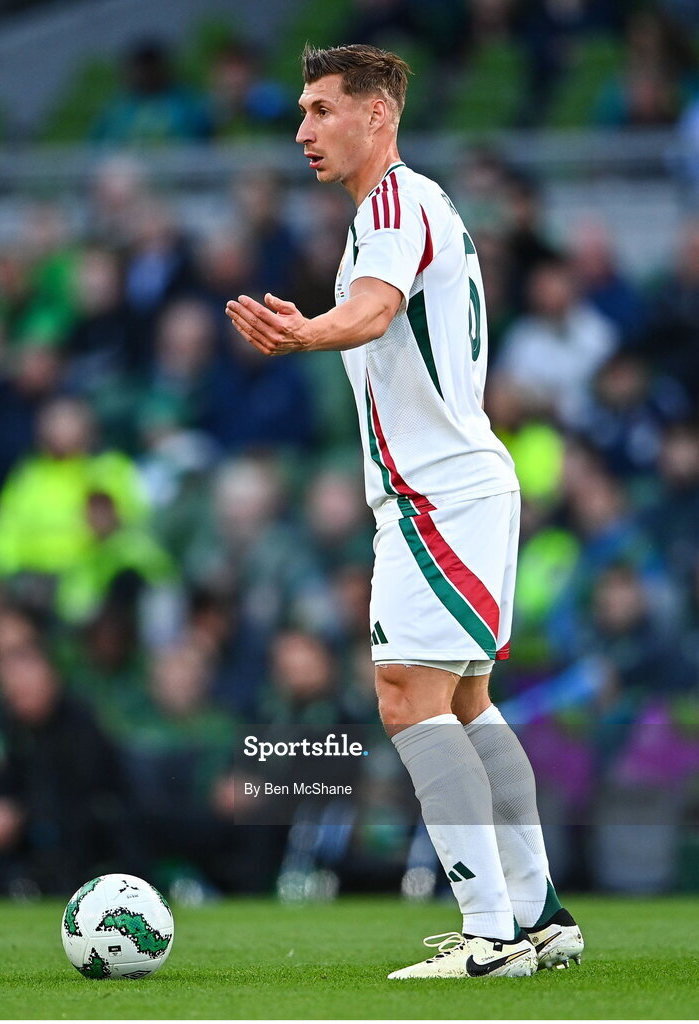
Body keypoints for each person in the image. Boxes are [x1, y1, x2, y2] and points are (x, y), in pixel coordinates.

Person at [225, 43, 583, 980]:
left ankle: (490, 934)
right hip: (457, 488)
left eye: (319, 110)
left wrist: (307, 330)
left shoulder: (392, 203)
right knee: (464, 703)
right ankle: (537, 915)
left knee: (406, 699)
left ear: (375, 114)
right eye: (300, 114)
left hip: (438, 496)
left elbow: (375, 311)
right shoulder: (405, 206)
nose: (302, 131)